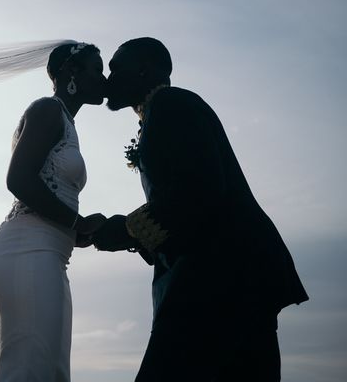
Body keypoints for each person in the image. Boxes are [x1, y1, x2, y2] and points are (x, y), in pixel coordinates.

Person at [92, 37, 308, 381]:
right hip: (230, 275)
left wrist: (126, 229)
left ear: (144, 69)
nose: (109, 77)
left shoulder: (171, 103)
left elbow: (201, 188)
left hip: (220, 277)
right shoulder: (161, 110)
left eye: (117, 68)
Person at [0, 42, 107, 381]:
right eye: (97, 69)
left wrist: (76, 231)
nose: (104, 78)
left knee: (48, 367)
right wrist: (76, 222)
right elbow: (18, 179)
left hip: (50, 254)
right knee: (29, 365)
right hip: (26, 249)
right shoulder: (47, 111)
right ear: (72, 72)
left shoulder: (66, 121)